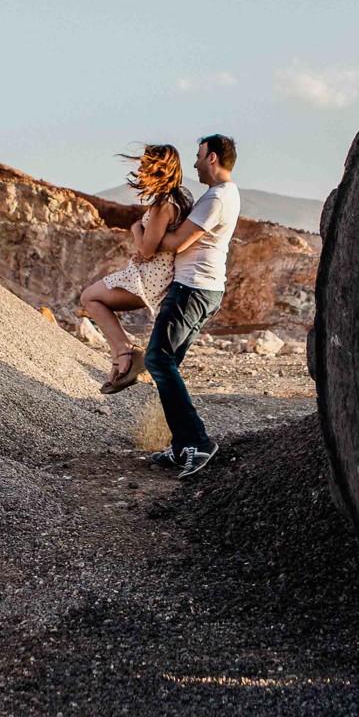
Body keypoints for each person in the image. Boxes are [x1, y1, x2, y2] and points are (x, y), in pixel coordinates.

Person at [142, 134, 240, 478]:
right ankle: (183, 445)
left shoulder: (216, 198)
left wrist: (141, 235)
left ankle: (197, 442)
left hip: (191, 289)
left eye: (199, 157)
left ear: (212, 158)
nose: (195, 163)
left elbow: (173, 242)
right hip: (203, 289)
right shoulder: (223, 195)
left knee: (157, 359)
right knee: (167, 363)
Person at [78, 144, 192, 393]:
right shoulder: (182, 197)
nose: (140, 171)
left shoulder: (164, 205)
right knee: (91, 297)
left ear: (160, 169)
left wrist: (135, 228)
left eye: (145, 166)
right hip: (153, 274)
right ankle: (123, 357)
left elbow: (147, 250)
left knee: (90, 297)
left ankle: (125, 355)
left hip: (149, 278)